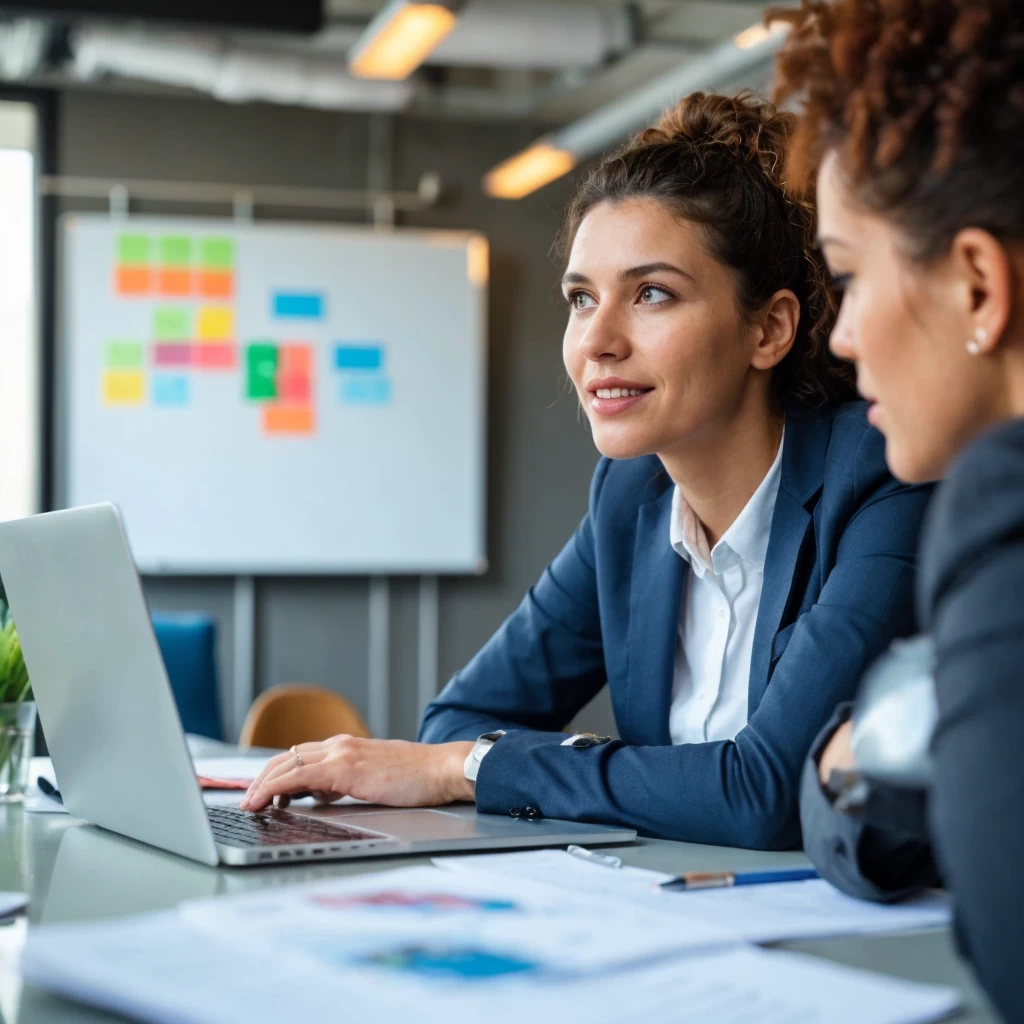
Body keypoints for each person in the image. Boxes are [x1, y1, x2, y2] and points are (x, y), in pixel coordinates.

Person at [242, 91, 931, 851]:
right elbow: (458, 721)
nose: (596, 340)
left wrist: (474, 769)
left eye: (652, 294)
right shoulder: (631, 500)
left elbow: (763, 791)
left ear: (768, 329)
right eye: (580, 298)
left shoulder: (881, 478)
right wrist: (477, 760)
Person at [774, 0, 1024, 1017]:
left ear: (975, 284)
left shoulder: (999, 501)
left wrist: (861, 740)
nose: (839, 337)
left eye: (846, 275)